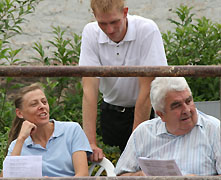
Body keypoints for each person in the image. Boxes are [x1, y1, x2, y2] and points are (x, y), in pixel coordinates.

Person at [79, 0, 167, 161]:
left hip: (148, 112)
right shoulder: (90, 32)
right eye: (102, 23)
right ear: (94, 16)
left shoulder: (146, 30)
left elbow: (147, 90)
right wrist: (89, 142)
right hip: (111, 112)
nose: (109, 29)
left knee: (146, 165)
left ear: (125, 12)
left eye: (114, 22)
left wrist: (135, 142)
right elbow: (89, 90)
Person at [115, 77, 221, 176]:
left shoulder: (214, 129)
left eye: (188, 101)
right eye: (177, 105)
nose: (187, 110)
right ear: (161, 114)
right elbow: (120, 175)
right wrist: (139, 176)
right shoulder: (143, 133)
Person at [0, 83, 92, 177]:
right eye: (34, 104)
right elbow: (6, 178)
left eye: (44, 102)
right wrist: (21, 139)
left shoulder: (72, 130)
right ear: (19, 113)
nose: (42, 106)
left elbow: (82, 175)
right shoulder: (17, 145)